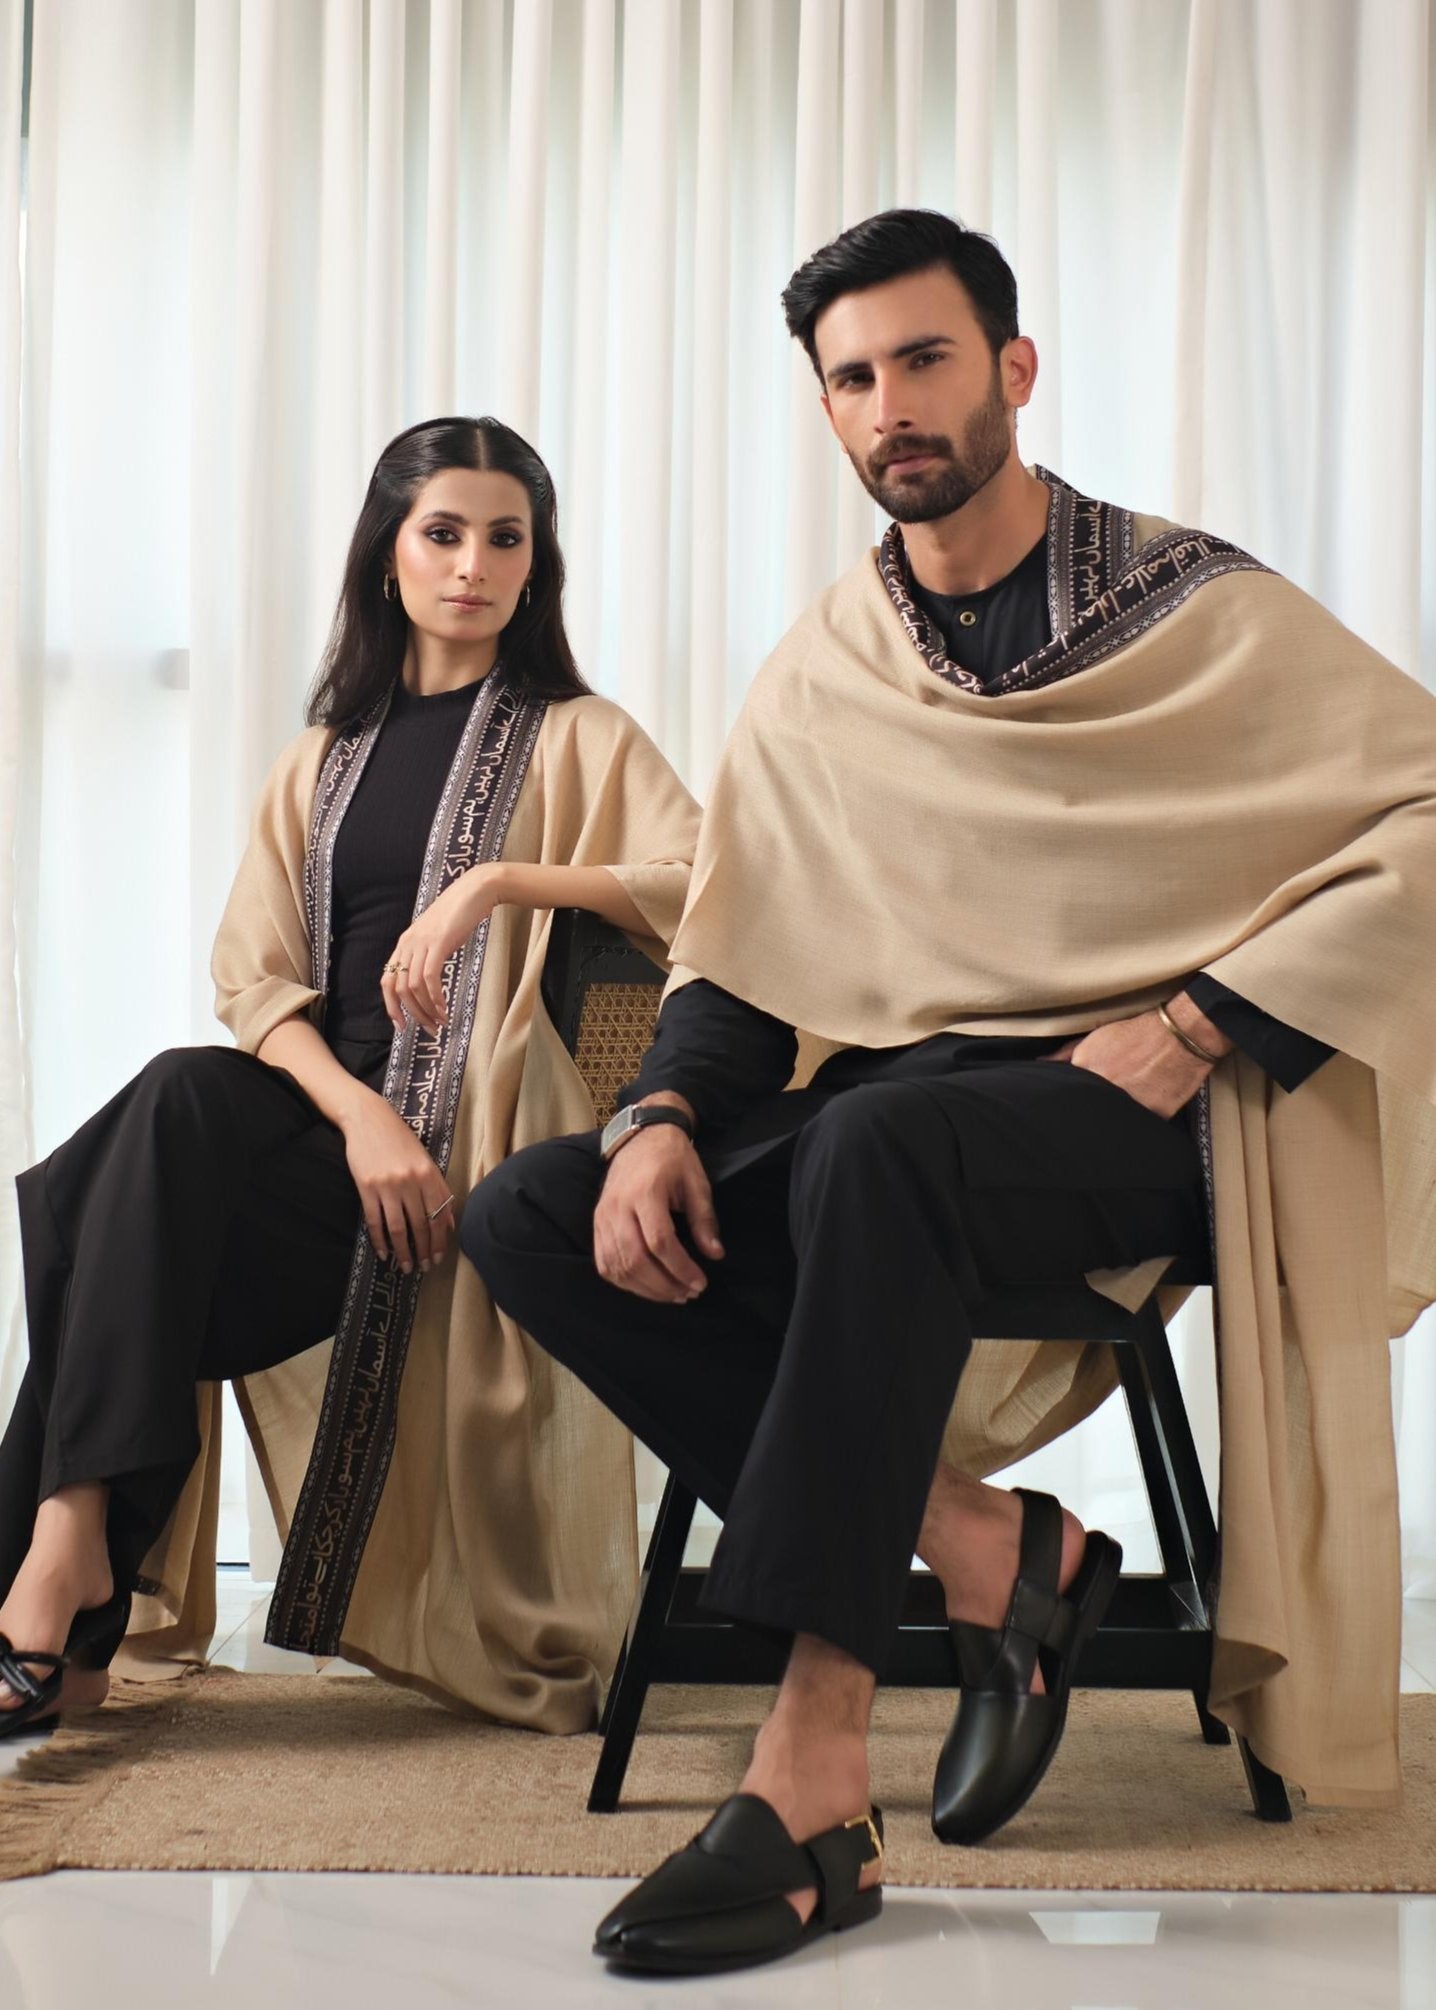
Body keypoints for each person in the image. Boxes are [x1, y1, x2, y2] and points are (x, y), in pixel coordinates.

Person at [463, 210, 1436, 1975]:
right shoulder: (833, 662)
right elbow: (742, 952)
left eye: (924, 359)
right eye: (853, 378)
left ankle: (811, 1778)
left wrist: (1198, 1022)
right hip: (906, 1118)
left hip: (1145, 1115)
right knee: (532, 1205)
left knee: (874, 1140)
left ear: (1013, 368)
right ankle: (990, 1548)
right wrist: (659, 1116)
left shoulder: (1198, 606)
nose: (890, 404)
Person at [0, 415, 699, 1739]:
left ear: (536, 564)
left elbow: (702, 886)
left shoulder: (582, 736)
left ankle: (61, 1588)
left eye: (506, 538)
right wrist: (365, 1115)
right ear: (389, 553)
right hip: (338, 1144)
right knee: (174, 1101)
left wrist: (501, 881)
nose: (473, 564)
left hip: (470, 1155)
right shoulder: (321, 758)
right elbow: (255, 980)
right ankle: (71, 1551)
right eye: (444, 533)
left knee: (106, 1209)